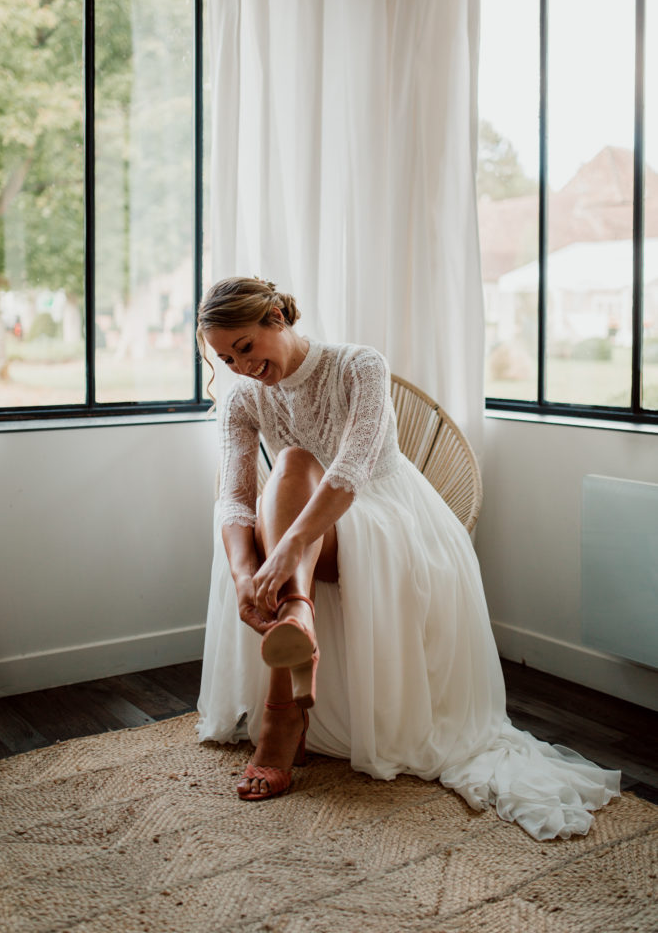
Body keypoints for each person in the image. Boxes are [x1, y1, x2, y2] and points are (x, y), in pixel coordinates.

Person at [196, 276, 621, 839]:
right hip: (302, 527)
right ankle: (296, 614)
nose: (241, 367)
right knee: (288, 475)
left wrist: (282, 556)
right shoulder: (243, 400)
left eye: (245, 347)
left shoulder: (357, 366)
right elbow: (233, 497)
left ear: (276, 316)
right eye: (226, 359)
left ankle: (282, 710)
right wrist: (245, 575)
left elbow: (349, 474)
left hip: (383, 517)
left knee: (294, 465)